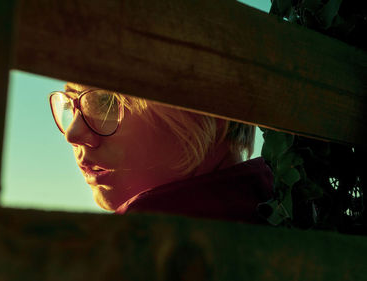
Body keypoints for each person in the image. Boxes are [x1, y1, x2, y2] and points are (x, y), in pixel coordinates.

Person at [49, 82, 273, 224]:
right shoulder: (283, 210)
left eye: (105, 102)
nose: (72, 133)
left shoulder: (137, 249)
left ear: (210, 110)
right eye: (70, 106)